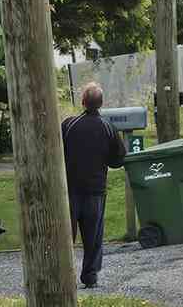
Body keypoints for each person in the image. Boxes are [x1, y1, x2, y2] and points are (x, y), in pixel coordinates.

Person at [61, 82, 125, 288]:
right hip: (95, 191)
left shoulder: (68, 125)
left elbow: (57, 152)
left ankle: (63, 274)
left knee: (65, 234)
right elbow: (118, 159)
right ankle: (90, 276)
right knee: (93, 236)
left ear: (82, 101)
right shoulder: (108, 127)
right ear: (101, 103)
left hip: (69, 190)